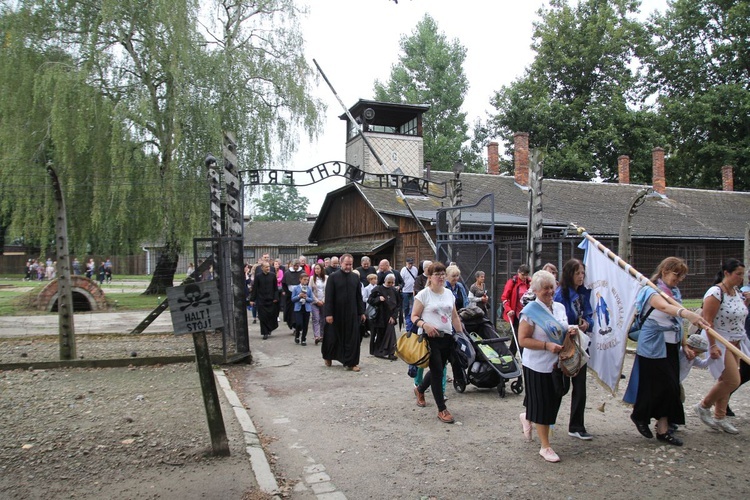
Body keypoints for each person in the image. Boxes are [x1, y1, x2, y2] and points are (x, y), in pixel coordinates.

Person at [628, 257, 706, 446]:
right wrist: (687, 313)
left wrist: (685, 343)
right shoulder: (650, 290)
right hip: (653, 344)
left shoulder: (675, 292)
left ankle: (663, 430)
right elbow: (664, 307)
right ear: (664, 272)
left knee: (671, 387)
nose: (679, 279)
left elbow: (677, 322)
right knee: (653, 385)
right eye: (676, 275)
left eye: (682, 276)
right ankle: (640, 416)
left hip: (671, 345)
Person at [517, 270, 577, 463]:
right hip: (536, 365)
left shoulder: (559, 307)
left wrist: (572, 331)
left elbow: (563, 328)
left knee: (553, 401)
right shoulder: (530, 312)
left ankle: (528, 415)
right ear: (535, 290)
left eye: (552, 287)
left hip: (557, 364)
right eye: (545, 288)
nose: (550, 291)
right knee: (543, 405)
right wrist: (546, 345)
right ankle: (545, 446)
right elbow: (523, 340)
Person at [694, 259, 748, 434]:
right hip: (720, 340)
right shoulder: (715, 292)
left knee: (725, 380)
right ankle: (703, 405)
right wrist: (712, 346)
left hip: (736, 341)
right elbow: (707, 322)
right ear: (726, 273)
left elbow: (738, 314)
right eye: (737, 274)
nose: (741, 278)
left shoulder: (736, 292)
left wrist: (746, 303)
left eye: (742, 274)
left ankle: (720, 416)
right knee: (733, 380)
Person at [411, 262, 464, 424]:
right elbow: (413, 316)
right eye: (437, 274)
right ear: (429, 277)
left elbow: (454, 316)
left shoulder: (449, 293)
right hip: (430, 338)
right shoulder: (423, 295)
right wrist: (424, 325)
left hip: (447, 337)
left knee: (438, 368)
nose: (441, 277)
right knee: (438, 372)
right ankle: (442, 409)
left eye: (443, 274)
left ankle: (420, 389)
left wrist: (461, 335)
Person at [553, 259, 594, 440]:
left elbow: (590, 314)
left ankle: (577, 425)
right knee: (560, 388)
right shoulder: (561, 295)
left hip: (580, 345)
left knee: (580, 386)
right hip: (564, 345)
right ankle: (543, 420)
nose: (581, 277)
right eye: (577, 273)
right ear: (570, 274)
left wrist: (587, 324)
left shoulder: (584, 294)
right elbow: (556, 321)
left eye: (583, 273)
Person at [322, 254, 365, 371]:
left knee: (352, 338)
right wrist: (328, 314)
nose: (348, 266)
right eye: (346, 264)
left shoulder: (355, 277)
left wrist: (362, 312)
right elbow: (329, 297)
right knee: (332, 337)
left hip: (352, 313)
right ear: (341, 263)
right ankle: (328, 356)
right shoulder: (333, 277)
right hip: (336, 313)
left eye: (350, 264)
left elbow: (358, 297)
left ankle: (351, 363)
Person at [367, 273, 400, 359]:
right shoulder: (377, 289)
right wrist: (378, 299)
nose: (390, 284)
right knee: (380, 335)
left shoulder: (394, 291)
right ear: (385, 281)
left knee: (390, 334)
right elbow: (370, 300)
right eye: (389, 282)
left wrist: (394, 316)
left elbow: (398, 305)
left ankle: (391, 352)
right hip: (380, 316)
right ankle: (379, 351)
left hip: (390, 316)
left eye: (392, 283)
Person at [502, 264, 531, 355]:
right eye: (523, 275)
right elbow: (504, 297)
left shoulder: (529, 283)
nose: (524, 277)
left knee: (517, 336)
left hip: (526, 313)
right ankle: (522, 356)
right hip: (515, 314)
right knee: (519, 335)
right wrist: (508, 309)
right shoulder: (512, 282)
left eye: (526, 275)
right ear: (518, 273)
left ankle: (510, 355)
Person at [249, 261, 280, 339]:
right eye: (266, 267)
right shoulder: (258, 276)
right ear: (262, 268)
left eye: (269, 267)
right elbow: (255, 289)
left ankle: (269, 329)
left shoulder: (272, 276)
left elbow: (275, 288)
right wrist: (252, 299)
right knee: (262, 317)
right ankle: (265, 332)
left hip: (271, 299)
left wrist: (276, 297)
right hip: (261, 299)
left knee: (271, 316)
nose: (268, 268)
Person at [292, 273, 314, 346]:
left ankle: (303, 339)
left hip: (306, 308)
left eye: (307, 280)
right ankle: (297, 335)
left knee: (305, 324)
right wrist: (299, 296)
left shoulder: (309, 289)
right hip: (298, 308)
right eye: (304, 280)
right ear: (300, 280)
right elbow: (292, 299)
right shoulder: (296, 288)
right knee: (299, 323)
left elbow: (311, 299)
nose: (306, 281)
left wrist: (306, 298)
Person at [282, 260, 304, 335]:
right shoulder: (287, 273)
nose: (295, 267)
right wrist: (288, 293)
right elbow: (284, 284)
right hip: (290, 296)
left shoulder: (302, 273)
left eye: (297, 266)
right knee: (291, 313)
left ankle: (299, 327)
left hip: (301, 295)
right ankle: (294, 327)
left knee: (300, 312)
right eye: (294, 266)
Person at [311, 263, 327, 345]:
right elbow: (310, 291)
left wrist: (323, 300)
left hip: (324, 301)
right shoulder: (311, 279)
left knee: (323, 319)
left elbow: (328, 290)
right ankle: (316, 336)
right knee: (316, 318)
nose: (317, 270)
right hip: (314, 302)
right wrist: (317, 300)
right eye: (315, 269)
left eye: (318, 269)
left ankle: (322, 335)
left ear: (321, 269)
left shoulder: (326, 278)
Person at [400, 258, 418, 331]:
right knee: (406, 306)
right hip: (405, 290)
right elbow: (401, 280)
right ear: (406, 263)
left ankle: (411, 318)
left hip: (413, 290)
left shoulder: (415, 269)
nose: (410, 265)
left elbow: (416, 278)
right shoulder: (403, 270)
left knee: (414, 305)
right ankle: (407, 319)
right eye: (409, 263)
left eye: (411, 263)